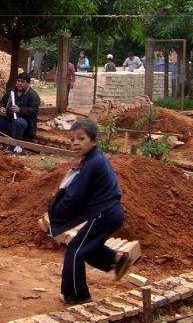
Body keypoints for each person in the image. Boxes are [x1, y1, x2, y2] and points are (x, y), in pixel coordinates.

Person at [48, 118, 132, 305]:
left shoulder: (92, 163)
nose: (75, 143)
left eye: (81, 138)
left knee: (75, 249)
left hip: (105, 214)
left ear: (94, 141)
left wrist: (58, 211)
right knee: (87, 247)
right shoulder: (93, 159)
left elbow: (75, 196)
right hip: (110, 213)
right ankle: (117, 259)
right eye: (72, 139)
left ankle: (77, 295)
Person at [0, 72, 40, 153]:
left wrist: (20, 110)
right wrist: (1, 108)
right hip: (8, 120)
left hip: (24, 125)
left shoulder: (33, 96)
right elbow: (2, 102)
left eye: (23, 81)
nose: (20, 83)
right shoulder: (12, 90)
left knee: (18, 122)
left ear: (28, 83)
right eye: (18, 81)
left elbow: (34, 111)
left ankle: (12, 148)